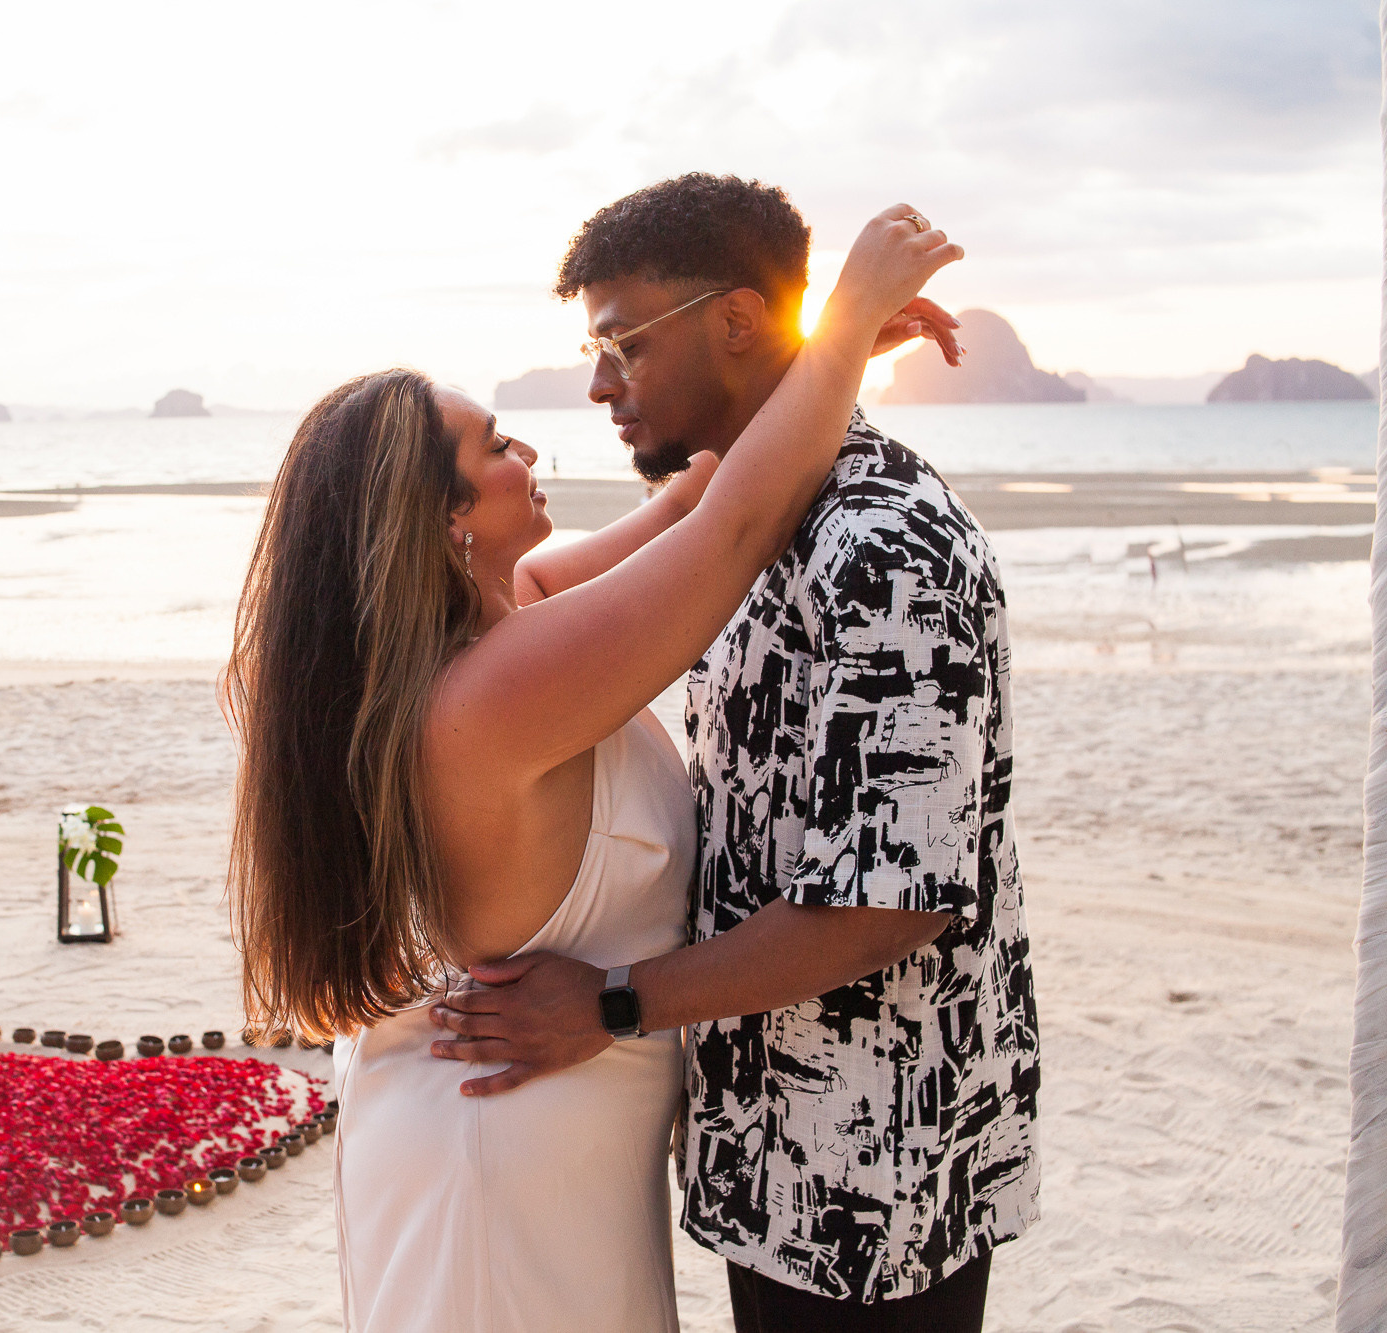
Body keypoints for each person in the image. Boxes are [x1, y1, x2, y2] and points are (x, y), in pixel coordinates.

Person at [225, 194, 961, 1331]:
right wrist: (850, 304)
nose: (529, 447)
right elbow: (732, 532)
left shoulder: (498, 626)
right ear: (444, 522)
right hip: (504, 1161)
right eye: (492, 446)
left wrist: (800, 356)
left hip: (538, 1139)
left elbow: (696, 497)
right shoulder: (491, 697)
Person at [427, 173, 1040, 1332]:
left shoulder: (879, 545)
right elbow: (550, 588)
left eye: (622, 343)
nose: (598, 383)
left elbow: (890, 901)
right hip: (766, 1154)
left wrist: (607, 1005)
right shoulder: (752, 525)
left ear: (737, 322)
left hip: (874, 1179)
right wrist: (834, 351)